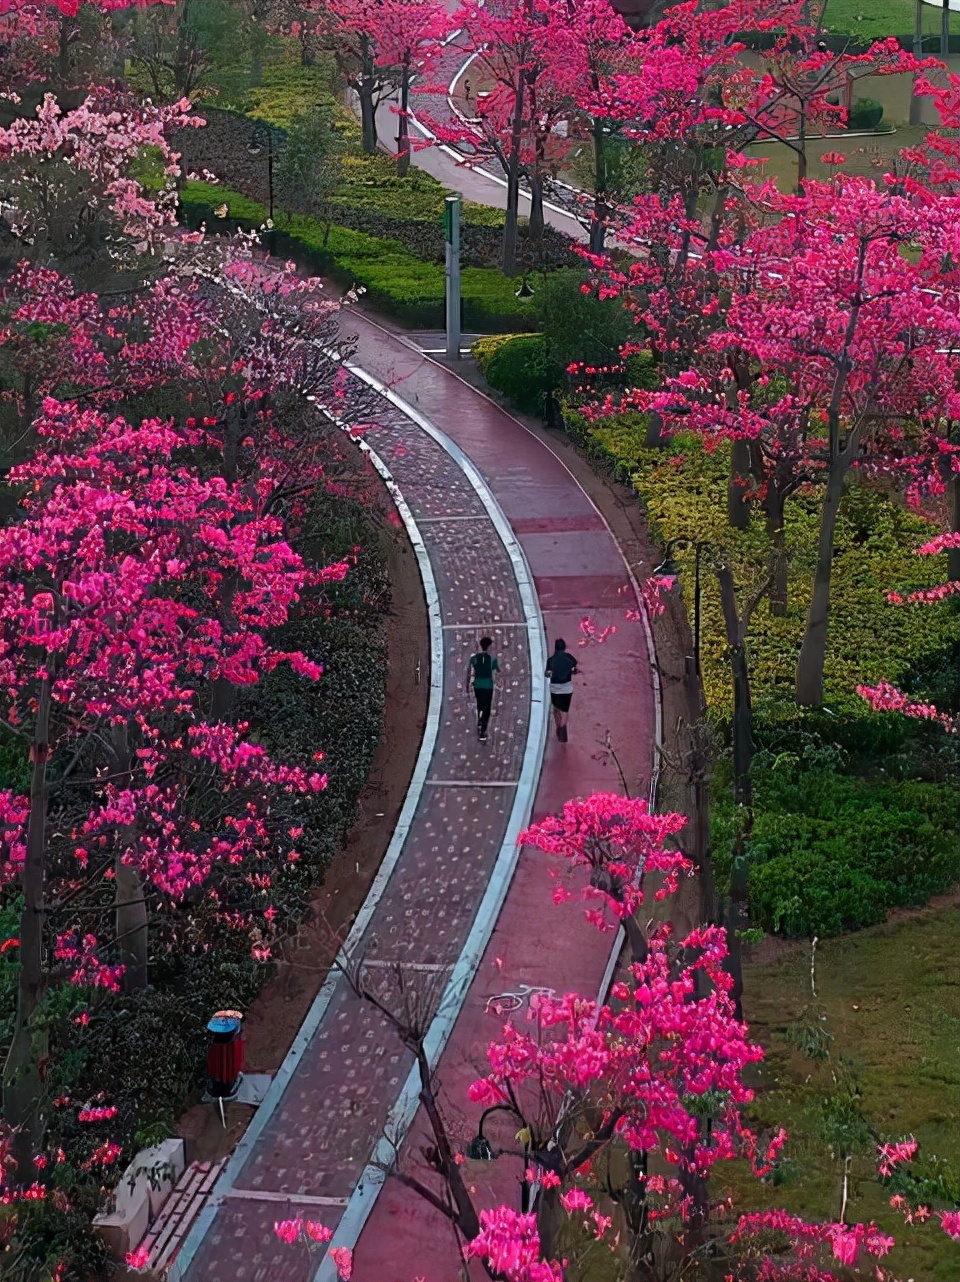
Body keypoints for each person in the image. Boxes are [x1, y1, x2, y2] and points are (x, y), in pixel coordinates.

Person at [466, 636, 499, 741]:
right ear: (489, 647)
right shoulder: (493, 659)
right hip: (488, 686)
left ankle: (480, 718)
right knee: (487, 708)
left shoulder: (474, 658)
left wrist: (468, 685)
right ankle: (483, 731)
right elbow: (495, 673)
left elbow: (469, 672)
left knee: (480, 704)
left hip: (477, 685)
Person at [545, 638, 578, 742]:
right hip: (567, 688)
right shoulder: (569, 658)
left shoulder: (551, 660)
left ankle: (558, 726)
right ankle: (562, 729)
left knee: (556, 709)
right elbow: (574, 667)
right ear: (564, 647)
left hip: (554, 688)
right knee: (565, 710)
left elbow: (547, 674)